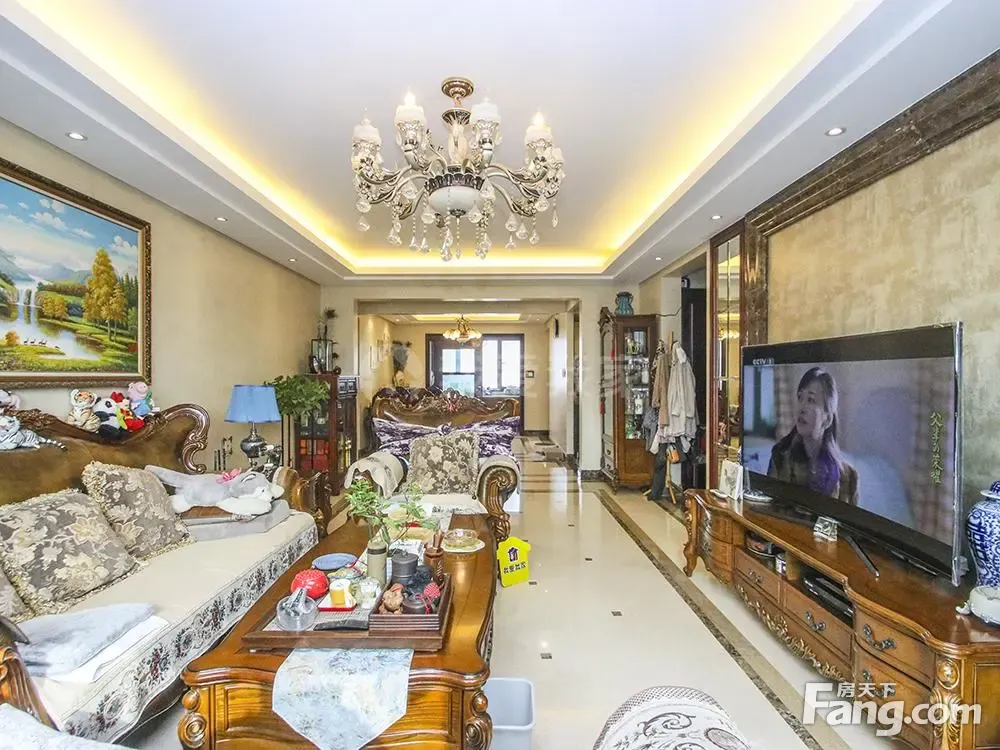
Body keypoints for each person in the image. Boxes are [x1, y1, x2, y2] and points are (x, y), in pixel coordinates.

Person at [768, 367, 858, 504]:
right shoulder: (780, 458)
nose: (801, 408)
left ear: (827, 420)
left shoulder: (849, 478)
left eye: (811, 400)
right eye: (800, 397)